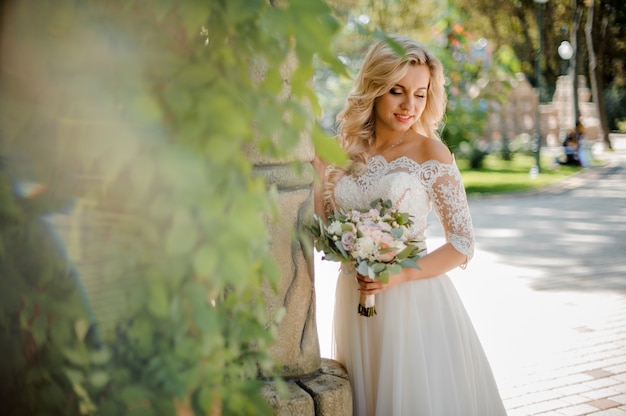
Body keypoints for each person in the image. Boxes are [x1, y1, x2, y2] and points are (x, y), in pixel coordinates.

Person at [312, 35, 507, 416]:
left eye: (420, 94)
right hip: (356, 298)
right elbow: (329, 227)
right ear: (375, 88)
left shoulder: (430, 152)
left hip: (413, 301)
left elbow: (463, 243)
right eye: (397, 91)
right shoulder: (349, 150)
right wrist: (320, 176)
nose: (409, 106)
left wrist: (397, 277)